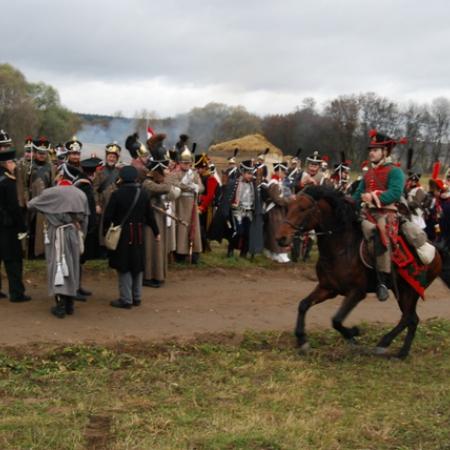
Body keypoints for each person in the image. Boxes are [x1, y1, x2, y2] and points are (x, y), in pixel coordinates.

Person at [352, 129, 406, 301]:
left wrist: (374, 197)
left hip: (386, 212)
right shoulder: (367, 173)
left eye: (375, 150)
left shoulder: (395, 171)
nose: (371, 152)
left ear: (385, 152)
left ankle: (382, 281)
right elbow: (358, 193)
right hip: (366, 211)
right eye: (371, 150)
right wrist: (348, 203)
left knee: (379, 233)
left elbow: (396, 193)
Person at [103, 166, 159, 308]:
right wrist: (156, 232)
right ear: (135, 178)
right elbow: (150, 216)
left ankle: (126, 299)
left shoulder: (117, 194)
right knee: (137, 264)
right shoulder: (143, 194)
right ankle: (137, 297)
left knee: (124, 265)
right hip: (139, 233)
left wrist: (105, 231)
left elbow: (108, 216)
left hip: (122, 234)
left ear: (121, 177)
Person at [0, 144, 31, 303]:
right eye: (12, 162)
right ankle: (17, 293)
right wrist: (22, 226)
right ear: (6, 163)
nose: (14, 165)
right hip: (8, 226)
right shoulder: (8, 181)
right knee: (13, 260)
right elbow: (14, 207)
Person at [142, 160, 179, 288]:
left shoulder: (154, 183)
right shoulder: (147, 184)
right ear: (156, 172)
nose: (164, 174)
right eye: (162, 171)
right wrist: (168, 178)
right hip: (151, 221)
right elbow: (167, 187)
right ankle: (149, 276)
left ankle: (158, 275)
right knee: (152, 249)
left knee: (158, 248)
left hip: (158, 219)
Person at [171, 147, 203, 263]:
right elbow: (175, 184)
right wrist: (189, 186)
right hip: (180, 204)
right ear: (180, 163)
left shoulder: (194, 174)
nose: (186, 165)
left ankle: (195, 252)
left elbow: (201, 187)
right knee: (181, 227)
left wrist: (196, 187)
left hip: (192, 205)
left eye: (188, 163)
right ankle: (180, 253)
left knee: (194, 227)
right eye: (184, 163)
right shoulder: (175, 173)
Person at [27, 137, 55, 258]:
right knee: (31, 228)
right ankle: (31, 254)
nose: (42, 156)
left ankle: (42, 253)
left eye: (44, 153)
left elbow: (53, 186)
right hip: (31, 201)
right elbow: (25, 185)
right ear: (35, 153)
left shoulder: (51, 168)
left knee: (44, 229)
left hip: (46, 204)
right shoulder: (29, 166)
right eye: (39, 153)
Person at [263, 162, 295, 263]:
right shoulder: (274, 183)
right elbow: (277, 200)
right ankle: (280, 254)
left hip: (278, 211)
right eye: (283, 172)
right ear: (278, 171)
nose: (285, 174)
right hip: (274, 212)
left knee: (274, 232)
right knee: (276, 232)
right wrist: (290, 199)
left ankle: (274, 253)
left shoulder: (277, 183)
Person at [94, 142, 122, 247]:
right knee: (102, 224)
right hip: (103, 201)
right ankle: (103, 245)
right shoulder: (99, 171)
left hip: (116, 202)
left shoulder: (120, 171)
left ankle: (113, 243)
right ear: (106, 157)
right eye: (110, 156)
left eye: (114, 157)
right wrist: (97, 204)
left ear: (117, 158)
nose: (111, 159)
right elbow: (95, 188)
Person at [195, 153, 219, 252]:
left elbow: (210, 196)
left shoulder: (210, 178)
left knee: (203, 227)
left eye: (198, 168)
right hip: (198, 204)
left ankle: (204, 247)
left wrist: (202, 207)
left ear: (204, 168)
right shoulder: (199, 176)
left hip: (206, 208)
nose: (197, 170)